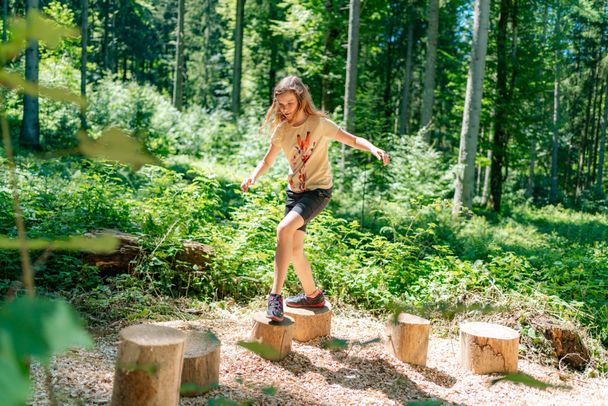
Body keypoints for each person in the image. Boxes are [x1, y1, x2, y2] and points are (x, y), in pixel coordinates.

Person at [240, 76, 390, 322]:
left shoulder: (319, 124)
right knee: (296, 249)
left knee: (283, 229)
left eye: (289, 103)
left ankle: (274, 297)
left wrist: (373, 148)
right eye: (281, 105)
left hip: (318, 191)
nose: (285, 109)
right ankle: (313, 295)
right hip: (295, 192)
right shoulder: (282, 130)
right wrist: (252, 177)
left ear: (300, 100)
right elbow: (267, 160)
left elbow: (351, 139)